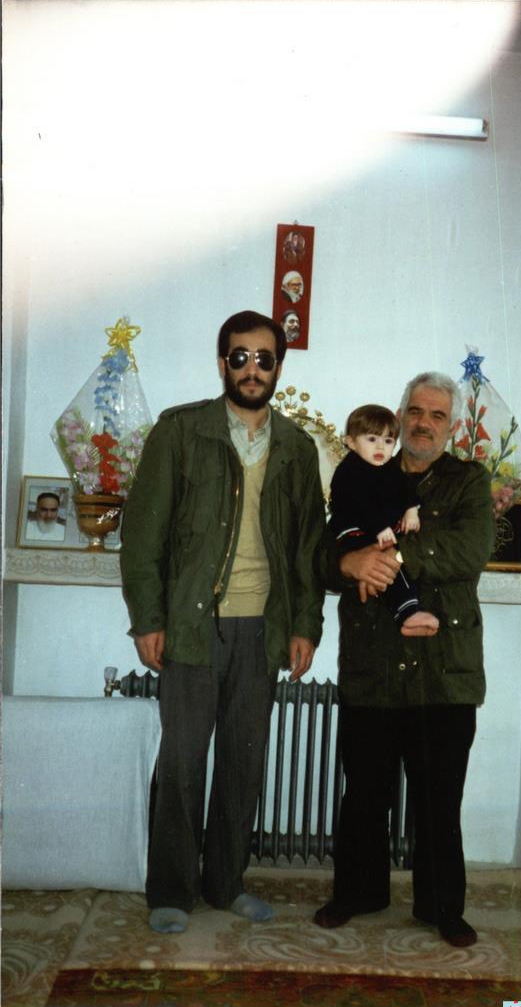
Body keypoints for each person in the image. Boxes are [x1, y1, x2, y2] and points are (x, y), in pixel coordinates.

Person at [120, 309, 326, 935]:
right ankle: (172, 890)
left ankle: (226, 882)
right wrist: (148, 619)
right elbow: (143, 535)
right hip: (191, 627)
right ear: (222, 364)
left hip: (262, 630)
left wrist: (305, 626)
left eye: (264, 359)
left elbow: (308, 549)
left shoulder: (297, 448)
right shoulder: (181, 432)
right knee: (183, 763)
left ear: (278, 368)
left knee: (244, 763)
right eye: (240, 357)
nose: (252, 369)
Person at [314, 371, 494, 948]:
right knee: (364, 793)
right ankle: (357, 893)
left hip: (444, 672)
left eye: (437, 415)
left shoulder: (468, 481)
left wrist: (388, 557)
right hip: (372, 665)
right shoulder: (363, 472)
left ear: (452, 427)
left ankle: (443, 908)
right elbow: (324, 553)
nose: (424, 423)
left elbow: (469, 550)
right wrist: (349, 563)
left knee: (439, 800)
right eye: (415, 411)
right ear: (400, 416)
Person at [329, 403, 439, 632]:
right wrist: (379, 527)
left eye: (388, 441)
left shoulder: (389, 466)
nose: (380, 446)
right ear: (351, 442)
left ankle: (407, 609)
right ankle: (407, 611)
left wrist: (411, 509)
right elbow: (359, 502)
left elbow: (405, 487)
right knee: (384, 563)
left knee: (399, 560)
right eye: (372, 439)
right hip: (352, 531)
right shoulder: (349, 471)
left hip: (382, 531)